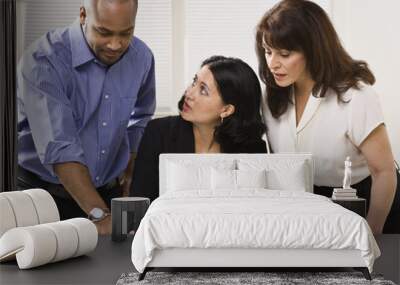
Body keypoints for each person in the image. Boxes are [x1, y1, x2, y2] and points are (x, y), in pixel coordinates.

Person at [255, 0, 399, 234]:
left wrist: (373, 234)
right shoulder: (272, 96)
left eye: (284, 53)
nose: (272, 63)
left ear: (313, 50)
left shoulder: (356, 96)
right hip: (310, 206)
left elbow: (384, 172)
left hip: (364, 202)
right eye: (268, 51)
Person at [16, 0, 155, 234]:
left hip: (108, 193)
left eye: (126, 33)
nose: (115, 44)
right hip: (44, 198)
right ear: (83, 15)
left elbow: (140, 117)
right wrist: (100, 215)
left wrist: (130, 167)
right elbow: (61, 149)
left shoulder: (141, 57)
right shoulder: (43, 60)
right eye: (104, 32)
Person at [130, 56, 267, 201]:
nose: (189, 93)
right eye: (194, 82)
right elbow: (140, 201)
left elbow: (253, 206)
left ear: (226, 110)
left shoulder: (252, 149)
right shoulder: (158, 132)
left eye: (203, 90)